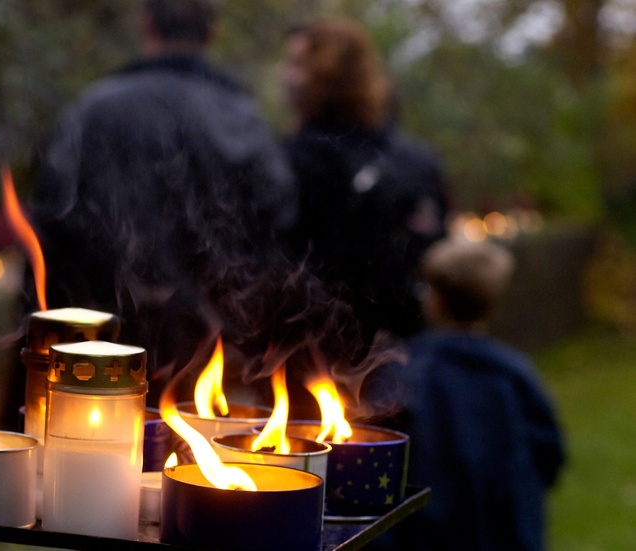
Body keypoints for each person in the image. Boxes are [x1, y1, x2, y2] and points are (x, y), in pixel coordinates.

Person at [29, 0, 297, 394]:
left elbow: (51, 223)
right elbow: (277, 227)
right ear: (212, 32)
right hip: (213, 355)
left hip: (100, 352)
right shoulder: (241, 118)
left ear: (147, 25)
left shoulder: (95, 109)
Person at [374, 238, 565, 551]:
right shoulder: (514, 374)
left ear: (433, 300)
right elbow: (548, 452)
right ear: (494, 301)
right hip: (505, 531)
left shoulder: (402, 373)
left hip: (425, 535)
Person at [281, 17, 449, 341]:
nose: (284, 75)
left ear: (327, 77)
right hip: (406, 347)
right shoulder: (418, 160)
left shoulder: (299, 160)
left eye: (297, 65)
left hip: (324, 353)